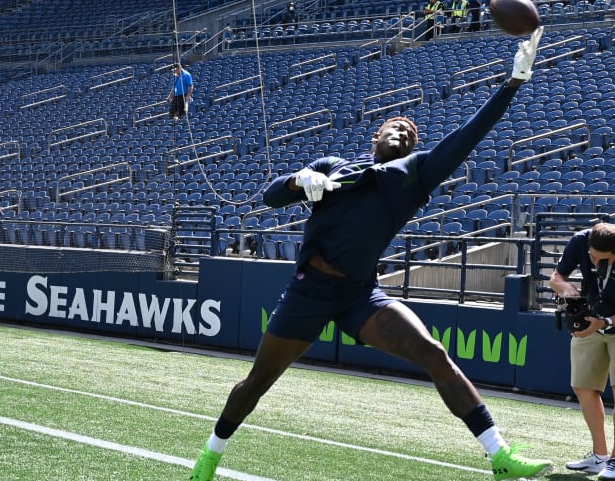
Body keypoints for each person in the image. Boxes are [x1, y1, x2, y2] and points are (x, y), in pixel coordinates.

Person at [188, 29, 550, 481]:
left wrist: (511, 84)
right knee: (258, 382)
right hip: (308, 291)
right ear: (375, 134)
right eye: (396, 126)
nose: (403, 131)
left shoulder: (412, 177)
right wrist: (300, 182)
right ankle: (210, 455)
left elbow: (466, 136)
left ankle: (499, 455)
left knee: (434, 353)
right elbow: (269, 196)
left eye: (411, 133)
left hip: (360, 294)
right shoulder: (331, 166)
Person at [550, 222, 615, 481]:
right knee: (583, 387)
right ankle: (599, 455)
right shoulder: (580, 241)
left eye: (600, 259)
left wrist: (604, 323)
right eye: (591, 255)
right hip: (590, 320)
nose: (593, 261)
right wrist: (567, 290)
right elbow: (556, 278)